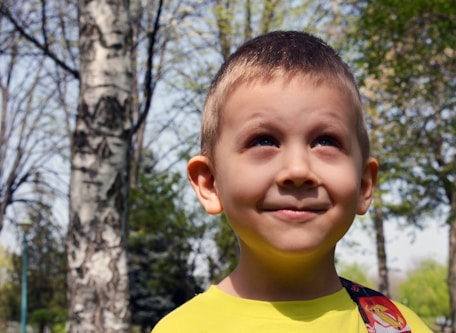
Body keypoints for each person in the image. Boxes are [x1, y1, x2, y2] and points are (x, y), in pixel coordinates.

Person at [152, 30, 432, 333]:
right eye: (263, 141)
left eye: (325, 141)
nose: (298, 171)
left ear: (364, 184)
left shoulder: (400, 328)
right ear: (210, 184)